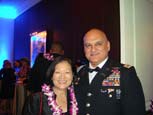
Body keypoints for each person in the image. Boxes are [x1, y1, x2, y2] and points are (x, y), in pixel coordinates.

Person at [76, 28, 146, 115]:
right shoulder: (80, 73)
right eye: (88, 45)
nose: (93, 49)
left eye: (98, 44)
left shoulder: (125, 73)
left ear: (108, 46)